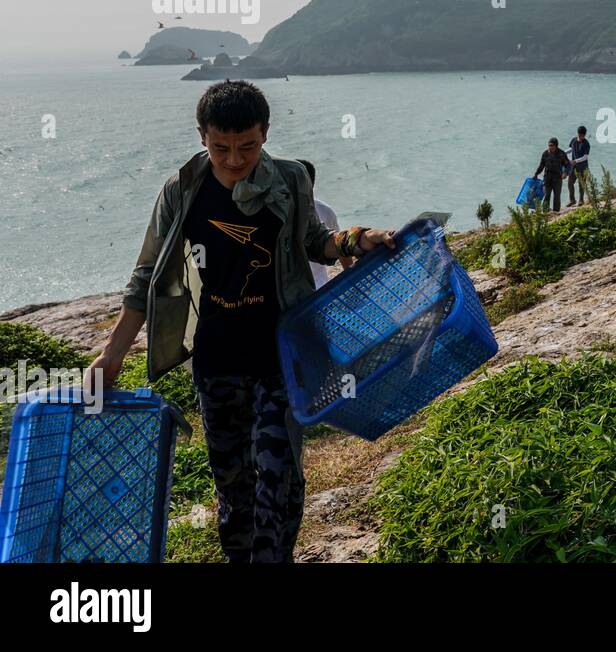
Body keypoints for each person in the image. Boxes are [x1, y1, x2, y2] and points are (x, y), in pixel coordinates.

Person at [85, 80, 396, 563]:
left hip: (281, 353)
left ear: (265, 134)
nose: (235, 159)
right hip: (216, 357)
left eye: (247, 146)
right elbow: (146, 275)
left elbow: (317, 240)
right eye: (221, 147)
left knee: (278, 472)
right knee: (233, 485)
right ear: (202, 137)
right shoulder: (182, 190)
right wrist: (112, 354)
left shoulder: (291, 179)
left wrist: (358, 238)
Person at [297, 159, 354, 288]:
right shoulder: (276, 213)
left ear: (310, 187)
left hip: (318, 286)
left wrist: (351, 278)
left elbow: (338, 244)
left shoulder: (324, 211)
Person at [534, 137, 573, 212]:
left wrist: (565, 173)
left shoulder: (561, 154)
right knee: (546, 195)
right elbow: (541, 165)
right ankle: (545, 212)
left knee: (557, 196)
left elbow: (568, 165)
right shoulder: (545, 154)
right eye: (549, 145)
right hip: (547, 178)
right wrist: (536, 174)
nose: (550, 147)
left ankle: (556, 212)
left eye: (552, 145)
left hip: (557, 178)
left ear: (556, 146)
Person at [567, 125, 591, 207]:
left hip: (583, 167)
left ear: (585, 135)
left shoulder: (586, 143)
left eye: (583, 136)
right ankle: (572, 200)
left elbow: (585, 157)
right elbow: (571, 149)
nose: (581, 137)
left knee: (582, 184)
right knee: (570, 182)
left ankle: (581, 200)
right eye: (580, 135)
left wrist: (575, 161)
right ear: (577, 133)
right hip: (574, 167)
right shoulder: (573, 140)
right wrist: (564, 153)